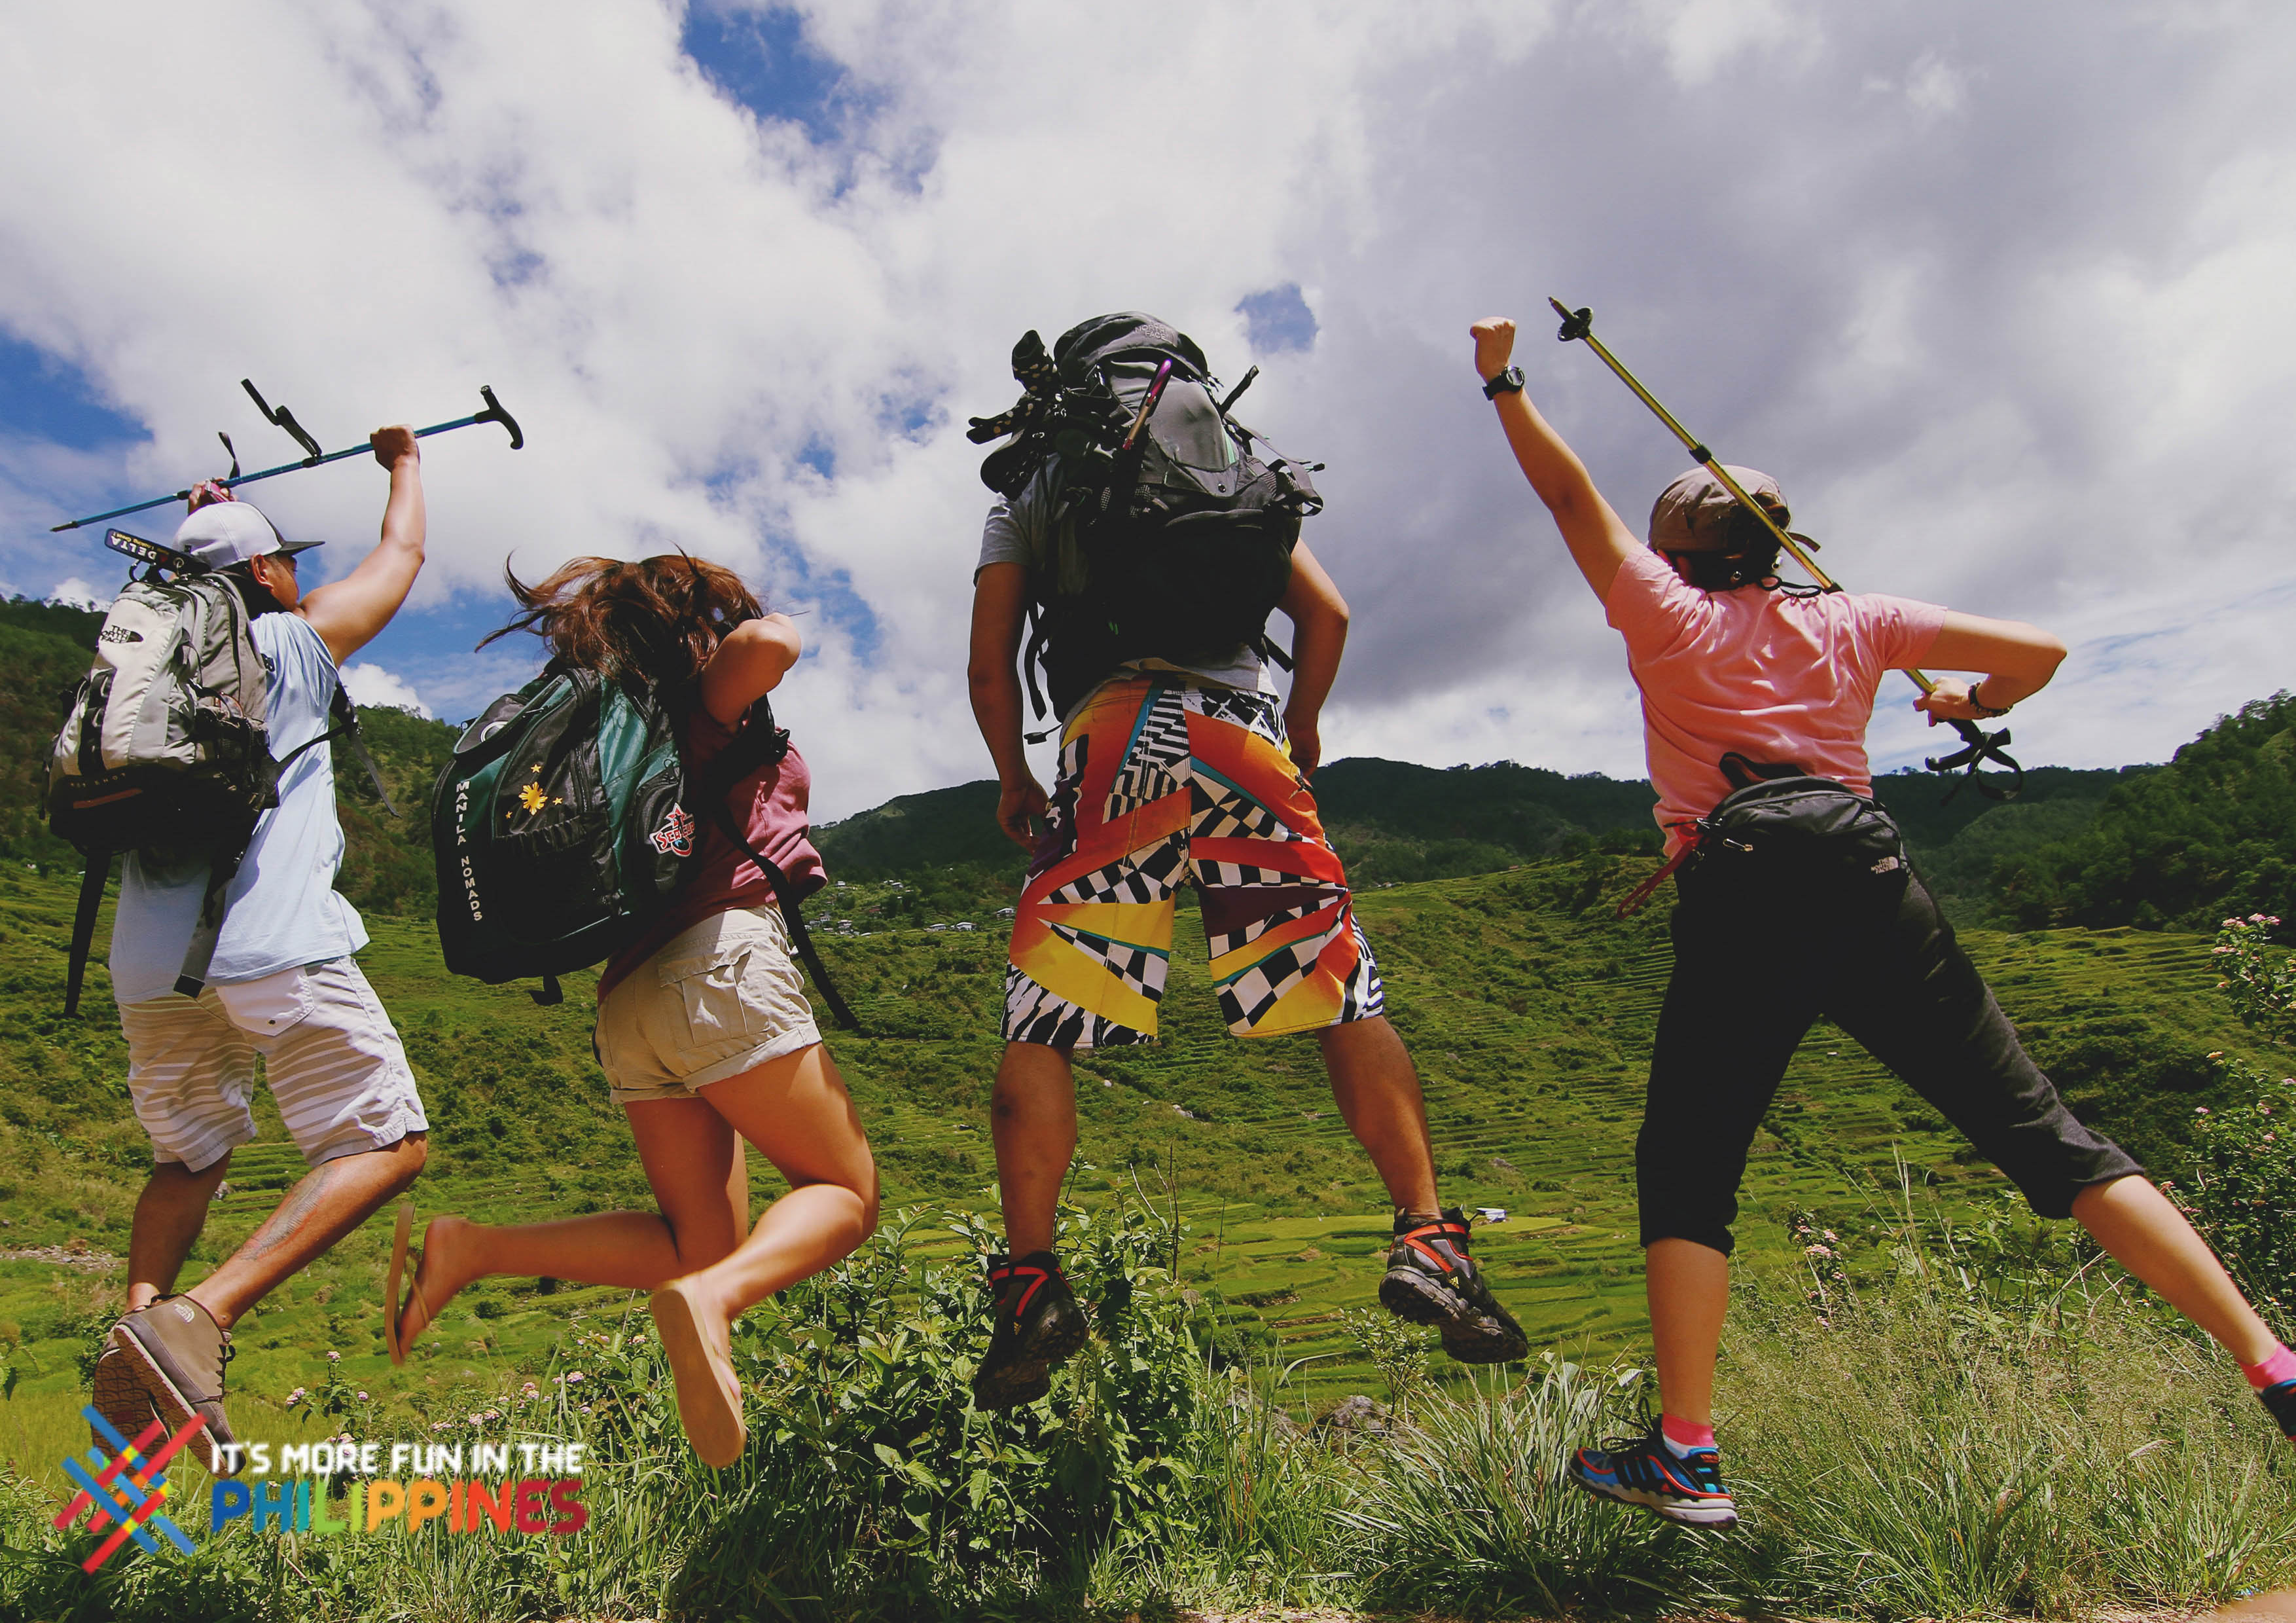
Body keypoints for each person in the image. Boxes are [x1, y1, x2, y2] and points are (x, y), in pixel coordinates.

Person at [1467, 313, 2296, 1529]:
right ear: (1778, 546)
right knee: (2049, 1139)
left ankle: (1688, 1453)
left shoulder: (1665, 615)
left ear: (1678, 555)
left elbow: (1565, 494)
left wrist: (1504, 380)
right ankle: (2272, 1363)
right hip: (1873, 886)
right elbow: (2044, 652)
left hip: (1746, 900)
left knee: (1690, 1168)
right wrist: (1970, 699)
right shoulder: (1857, 621)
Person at [965, 316, 1528, 1410]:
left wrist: (1014, 779)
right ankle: (1429, 1237)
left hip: (1112, 742)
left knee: (1046, 1019)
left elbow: (991, 669)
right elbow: (1329, 613)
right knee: (1335, 985)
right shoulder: (1228, 458)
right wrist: (1301, 726)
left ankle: (1032, 1284)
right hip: (1241, 734)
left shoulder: (1033, 483)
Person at [388, 556, 877, 1469]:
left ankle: (473, 1248)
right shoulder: (695, 704)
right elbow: (772, 644)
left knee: (699, 1245)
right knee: (846, 1194)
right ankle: (715, 1302)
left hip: (630, 1003)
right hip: (717, 965)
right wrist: (747, 624)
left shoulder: (618, 733)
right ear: (690, 627)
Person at [97, 430, 433, 1474]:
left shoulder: (147, 658)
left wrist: (209, 517)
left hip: (149, 967)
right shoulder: (291, 640)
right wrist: (405, 464)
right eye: (285, 557)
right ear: (266, 573)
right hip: (274, 947)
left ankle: (135, 1344)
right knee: (387, 1144)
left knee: (187, 1158)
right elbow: (401, 557)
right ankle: (197, 1320)